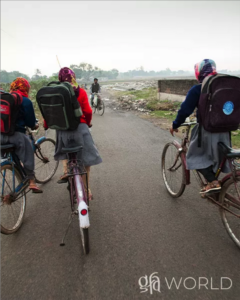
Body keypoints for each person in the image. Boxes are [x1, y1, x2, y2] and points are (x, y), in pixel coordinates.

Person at [170, 59, 231, 194]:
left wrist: (175, 124)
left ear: (199, 72)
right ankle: (215, 186)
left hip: (207, 131)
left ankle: (213, 182)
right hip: (226, 131)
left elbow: (185, 110)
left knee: (194, 157)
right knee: (217, 158)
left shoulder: (199, 88)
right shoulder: (225, 87)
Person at [44, 68, 102, 200]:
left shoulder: (55, 93)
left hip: (61, 130)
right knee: (86, 161)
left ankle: (66, 171)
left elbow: (49, 113)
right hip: (80, 128)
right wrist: (87, 123)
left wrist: (46, 125)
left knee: (65, 152)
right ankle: (86, 191)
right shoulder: (79, 91)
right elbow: (87, 111)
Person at [0, 77, 43, 193]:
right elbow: (30, 122)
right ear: (25, 88)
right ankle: (32, 181)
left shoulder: (4, 98)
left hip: (1, 136)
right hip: (16, 136)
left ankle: (8, 164)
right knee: (28, 153)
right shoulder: (25, 101)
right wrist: (34, 125)